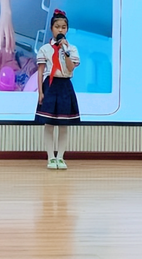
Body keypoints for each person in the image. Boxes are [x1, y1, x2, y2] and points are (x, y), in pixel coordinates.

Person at [35, 9, 80, 170]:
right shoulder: (44, 49)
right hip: (50, 86)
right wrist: (40, 92)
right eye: (57, 26)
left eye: (63, 27)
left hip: (65, 86)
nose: (60, 30)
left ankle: (60, 157)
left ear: (67, 29)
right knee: (49, 124)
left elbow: (71, 68)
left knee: (63, 124)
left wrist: (65, 51)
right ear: (51, 28)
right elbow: (40, 72)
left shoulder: (72, 49)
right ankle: (50, 157)